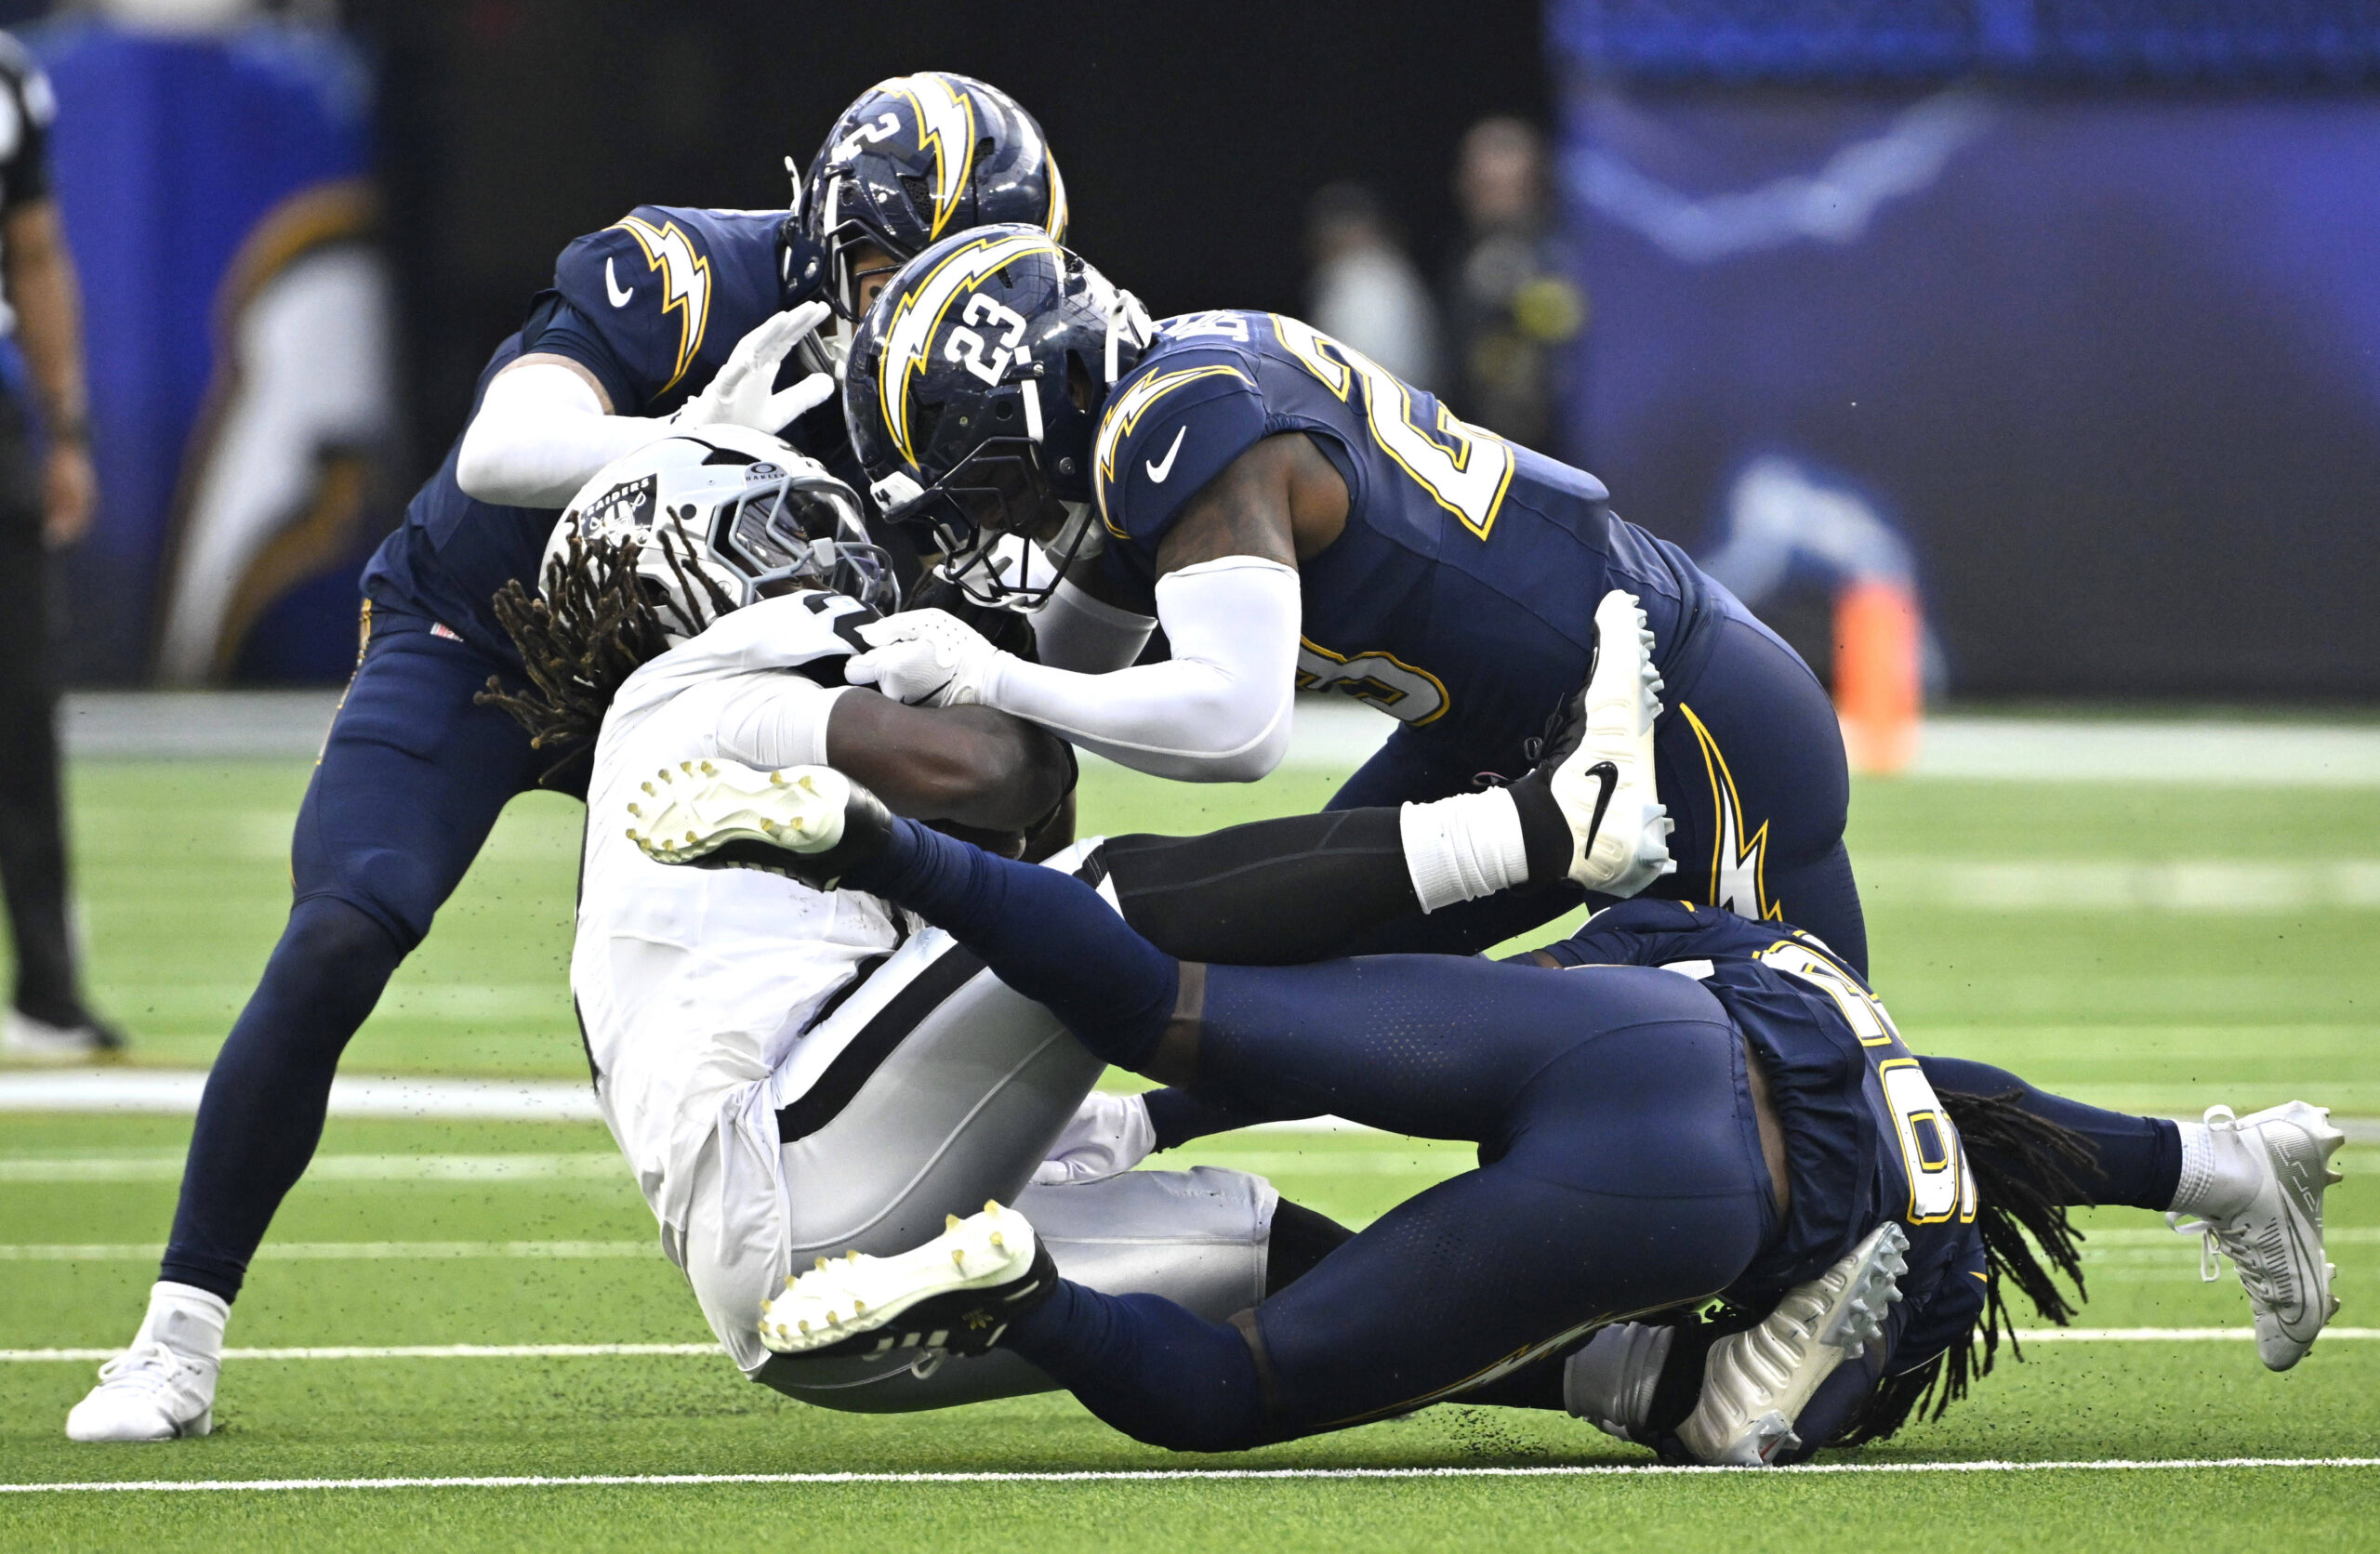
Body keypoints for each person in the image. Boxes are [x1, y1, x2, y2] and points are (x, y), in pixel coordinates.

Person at [63, 71, 1069, 1442]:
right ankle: (175, 1333)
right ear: (826, 229)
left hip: (709, 685)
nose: (918, 307)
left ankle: (1036, 1169)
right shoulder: (691, 270)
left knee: (985, 854)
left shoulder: (979, 356)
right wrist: (705, 447)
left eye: (961, 271)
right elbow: (502, 448)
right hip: (499, 636)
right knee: (346, 928)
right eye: (896, 263)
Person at [624, 756, 2347, 1462]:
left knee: (1165, 1001)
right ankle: (1036, 1289)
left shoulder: (1758, 958)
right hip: (1706, 1185)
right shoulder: (1916, 1143)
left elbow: (1956, 1109)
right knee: (1240, 1383)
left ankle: (872, 838)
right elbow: (1963, 1144)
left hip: (1622, 1044)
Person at [837, 228, 1863, 973]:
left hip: (1684, 714)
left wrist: (990, 671)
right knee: (1289, 946)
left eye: (983, 473)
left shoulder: (1174, 428)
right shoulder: (1146, 408)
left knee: (1825, 1088)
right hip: (1501, 733)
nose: (992, 513)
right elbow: (1054, 713)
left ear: (1046, 394)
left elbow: (1236, 726)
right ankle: (1117, 1138)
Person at [0, 31, 119, 1060]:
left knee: (20, 701)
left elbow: (34, 250)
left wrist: (65, 427)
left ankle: (46, 985)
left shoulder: (10, 79)